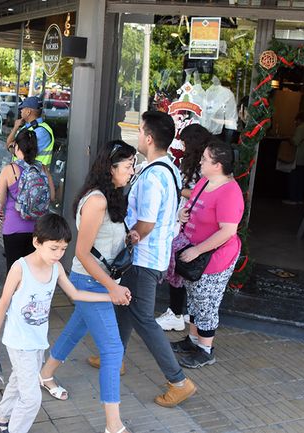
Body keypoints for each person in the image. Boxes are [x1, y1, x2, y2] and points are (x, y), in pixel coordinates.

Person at [38, 140, 135, 433]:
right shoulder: (97, 200)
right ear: (111, 168)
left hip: (98, 281)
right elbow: (81, 252)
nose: (131, 171)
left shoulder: (110, 195)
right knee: (113, 350)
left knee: (75, 330)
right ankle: (113, 425)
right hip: (91, 282)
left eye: (132, 165)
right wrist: (112, 288)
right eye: (128, 166)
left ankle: (45, 375)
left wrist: (128, 238)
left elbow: (101, 242)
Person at [0, 214, 115, 433]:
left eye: (63, 249)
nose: (58, 254)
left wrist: (111, 296)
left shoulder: (56, 268)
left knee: (18, 381)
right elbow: (3, 303)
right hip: (19, 342)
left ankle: (3, 418)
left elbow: (75, 294)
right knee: (31, 399)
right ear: (37, 242)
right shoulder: (20, 268)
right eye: (54, 248)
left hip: (37, 341)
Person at [114, 111, 197, 407]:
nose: (137, 135)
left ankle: (178, 381)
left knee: (143, 319)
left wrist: (125, 240)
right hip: (155, 257)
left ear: (148, 138)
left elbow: (146, 223)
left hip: (144, 259)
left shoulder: (152, 176)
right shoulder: (169, 169)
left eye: (139, 131)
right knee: (124, 307)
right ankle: (114, 357)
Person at [171, 138, 244, 368]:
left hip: (214, 257)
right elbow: (193, 205)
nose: (200, 162)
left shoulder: (230, 192)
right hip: (195, 254)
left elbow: (228, 231)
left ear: (218, 165)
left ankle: (205, 349)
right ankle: (193, 340)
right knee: (194, 297)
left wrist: (197, 250)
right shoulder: (205, 181)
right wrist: (183, 214)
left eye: (204, 159)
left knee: (206, 302)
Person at [156, 123, 213, 332]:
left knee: (179, 265)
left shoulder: (203, 167)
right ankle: (181, 312)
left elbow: (200, 193)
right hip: (183, 215)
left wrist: (178, 190)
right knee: (180, 266)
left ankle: (176, 313)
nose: (182, 145)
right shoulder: (191, 162)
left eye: (185, 141)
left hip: (189, 219)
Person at [0, 129, 55, 273]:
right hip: (37, 230)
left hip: (13, 228)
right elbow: (52, 196)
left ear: (17, 147)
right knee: (32, 273)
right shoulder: (42, 168)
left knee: (14, 272)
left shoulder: (9, 169)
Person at [5, 96, 55, 166]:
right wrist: (15, 127)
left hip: (35, 172)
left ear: (28, 112)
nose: (21, 111)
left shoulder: (41, 131)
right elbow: (9, 144)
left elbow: (22, 152)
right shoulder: (27, 127)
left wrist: (12, 146)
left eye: (22, 108)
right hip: (22, 170)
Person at [284, 112, 304, 205]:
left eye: (296, 120)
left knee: (294, 178)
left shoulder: (300, 128)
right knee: (301, 179)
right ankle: (299, 199)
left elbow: (295, 142)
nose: (295, 122)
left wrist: (289, 139)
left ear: (299, 119)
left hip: (298, 157)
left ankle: (293, 199)